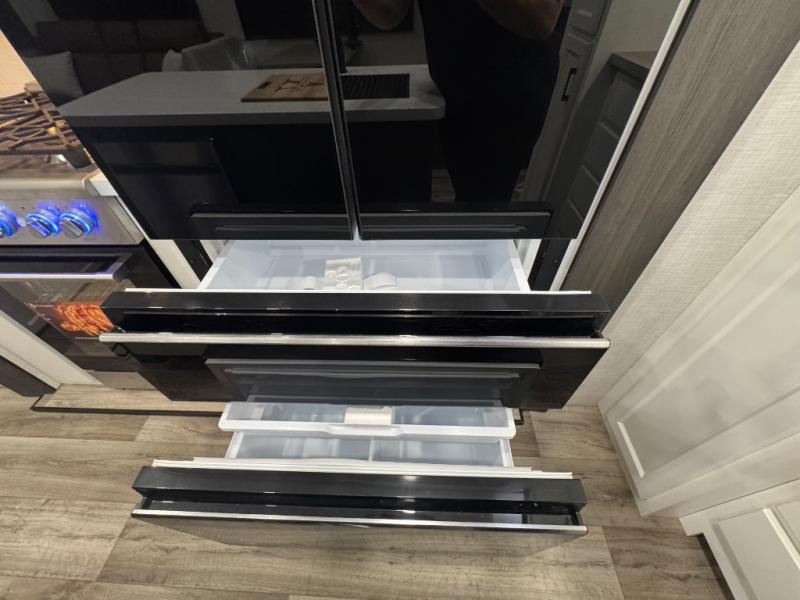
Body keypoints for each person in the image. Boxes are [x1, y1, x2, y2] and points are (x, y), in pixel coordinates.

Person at [353, 0, 563, 204]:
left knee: (490, 199)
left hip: (515, 87)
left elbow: (541, 20)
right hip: (458, 88)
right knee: (473, 195)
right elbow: (389, 14)